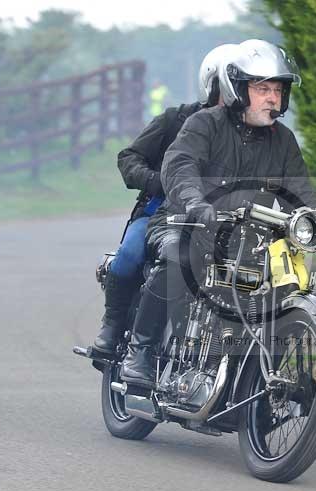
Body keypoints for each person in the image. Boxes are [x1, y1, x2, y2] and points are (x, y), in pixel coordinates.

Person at [121, 39, 316, 387]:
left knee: (280, 287)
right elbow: (180, 165)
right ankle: (140, 352)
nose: (272, 98)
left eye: (277, 89)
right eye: (262, 89)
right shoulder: (205, 124)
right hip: (185, 223)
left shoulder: (283, 141)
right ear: (239, 90)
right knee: (178, 257)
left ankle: (250, 382)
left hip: (248, 239)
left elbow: (301, 193)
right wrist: (195, 202)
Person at [90, 43, 239, 362]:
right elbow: (128, 158)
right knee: (129, 255)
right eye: (234, 88)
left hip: (220, 224)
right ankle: (113, 327)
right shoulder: (174, 120)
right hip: (160, 214)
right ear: (212, 87)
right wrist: (158, 181)